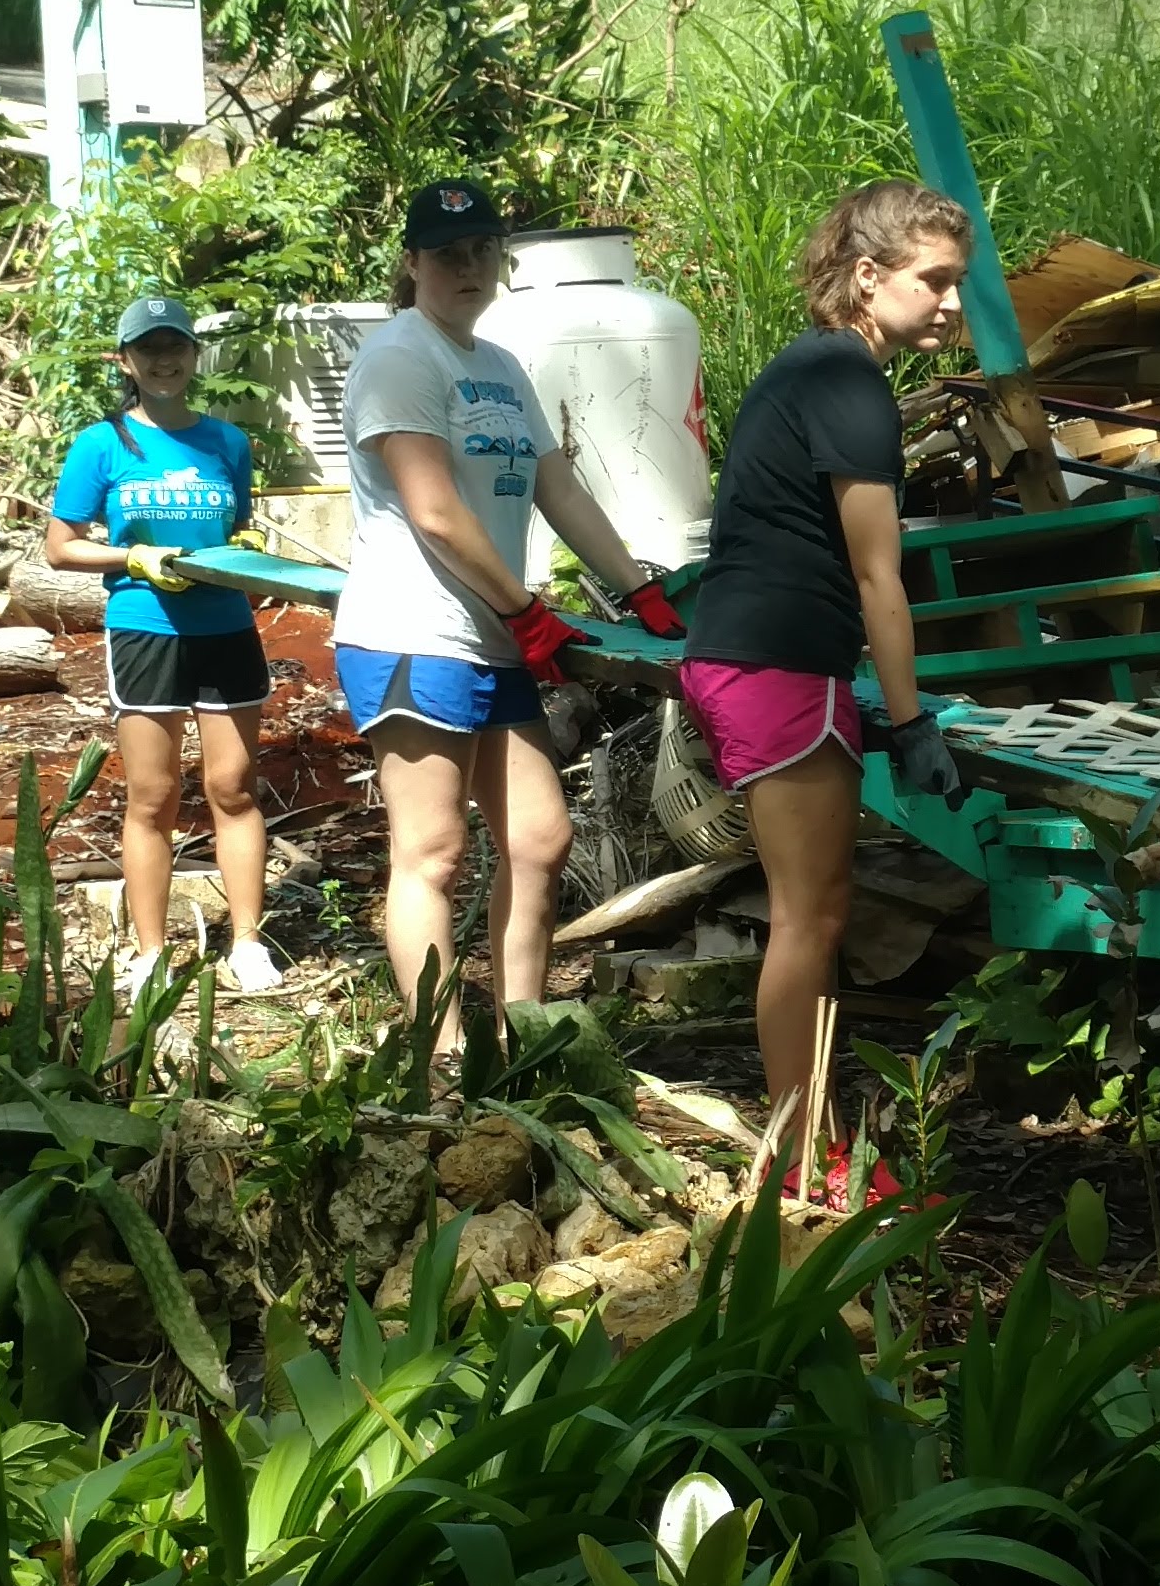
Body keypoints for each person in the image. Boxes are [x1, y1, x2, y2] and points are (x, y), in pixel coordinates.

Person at [675, 183, 975, 1190]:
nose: (949, 304)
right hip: (778, 662)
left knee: (818, 914)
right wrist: (910, 720)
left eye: (957, 285)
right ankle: (804, 1156)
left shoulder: (815, 371)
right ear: (866, 275)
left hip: (769, 659)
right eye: (932, 281)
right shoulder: (847, 382)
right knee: (810, 919)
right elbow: (877, 571)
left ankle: (817, 1139)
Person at [333, 178, 666, 1055]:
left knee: (539, 837)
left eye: (483, 249)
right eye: (447, 253)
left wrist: (639, 589)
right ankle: (438, 1057)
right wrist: (525, 610)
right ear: (412, 263)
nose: (468, 266)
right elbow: (434, 512)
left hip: (494, 633)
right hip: (414, 630)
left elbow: (559, 488)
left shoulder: (498, 364)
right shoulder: (401, 357)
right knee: (434, 851)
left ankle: (525, 1037)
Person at [39, 295, 284, 995]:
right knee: (153, 794)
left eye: (175, 344)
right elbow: (60, 548)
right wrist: (131, 560)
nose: (164, 358)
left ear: (194, 353)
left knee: (233, 787)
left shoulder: (227, 443)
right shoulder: (102, 444)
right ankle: (150, 953)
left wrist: (244, 550)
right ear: (126, 360)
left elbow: (234, 526)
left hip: (226, 629)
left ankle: (246, 943)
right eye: (148, 348)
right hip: (147, 629)